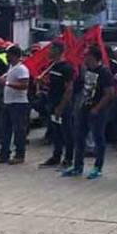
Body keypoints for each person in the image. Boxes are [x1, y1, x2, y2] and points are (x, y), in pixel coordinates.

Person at [62, 46, 115, 180]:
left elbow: (110, 93)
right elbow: (78, 88)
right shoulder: (84, 71)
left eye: (87, 55)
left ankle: (98, 167)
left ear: (93, 57)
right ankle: (77, 166)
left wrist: (97, 108)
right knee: (79, 138)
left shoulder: (104, 73)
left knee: (98, 138)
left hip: (98, 111)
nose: (84, 58)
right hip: (83, 109)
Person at [0, 45, 30, 165]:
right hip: (8, 102)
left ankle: (19, 155)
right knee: (5, 130)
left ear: (15, 56)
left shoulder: (22, 69)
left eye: (9, 55)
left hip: (19, 103)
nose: (6, 57)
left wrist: (6, 83)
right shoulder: (11, 67)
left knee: (19, 131)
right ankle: (4, 153)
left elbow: (24, 85)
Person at [39, 40, 76, 168]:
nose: (48, 51)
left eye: (51, 49)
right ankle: (56, 156)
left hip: (63, 106)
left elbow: (69, 89)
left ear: (58, 51)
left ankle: (69, 158)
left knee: (67, 132)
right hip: (52, 104)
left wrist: (61, 107)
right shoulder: (52, 66)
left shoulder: (67, 68)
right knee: (56, 132)